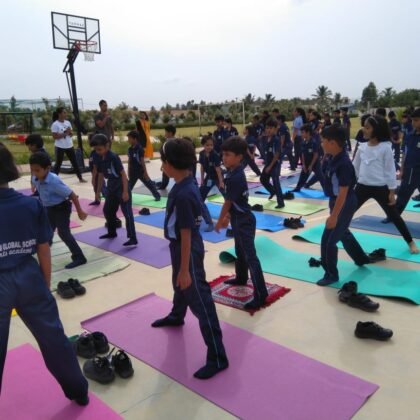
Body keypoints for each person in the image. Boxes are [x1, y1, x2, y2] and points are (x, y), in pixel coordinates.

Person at [0, 143, 89, 404]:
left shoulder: (33, 203)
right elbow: (44, 249)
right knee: (54, 339)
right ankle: (79, 391)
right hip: (30, 277)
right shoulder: (31, 205)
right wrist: (44, 284)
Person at [151, 138, 228, 379]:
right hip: (180, 246)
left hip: (187, 248)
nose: (161, 166)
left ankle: (218, 356)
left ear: (170, 164)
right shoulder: (185, 183)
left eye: (162, 161)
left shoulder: (184, 192)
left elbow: (186, 233)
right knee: (179, 284)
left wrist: (185, 269)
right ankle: (177, 315)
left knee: (199, 297)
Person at [215, 136, 268, 309]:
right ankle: (241, 277)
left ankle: (261, 293)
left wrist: (221, 220)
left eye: (228, 155)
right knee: (239, 250)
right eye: (223, 154)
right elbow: (234, 201)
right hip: (238, 218)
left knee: (250, 256)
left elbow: (228, 202)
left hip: (244, 220)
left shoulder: (235, 177)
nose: (224, 158)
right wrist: (228, 218)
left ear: (239, 157)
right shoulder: (232, 172)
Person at [352, 116, 418, 254]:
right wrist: (352, 185)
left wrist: (391, 192)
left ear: (377, 130)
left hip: (380, 188)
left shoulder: (385, 148)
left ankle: (410, 242)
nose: (364, 129)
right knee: (347, 212)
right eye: (364, 126)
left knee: (394, 216)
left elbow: (390, 171)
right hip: (362, 187)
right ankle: (334, 232)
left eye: (367, 127)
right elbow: (355, 168)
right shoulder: (362, 147)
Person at [316, 126, 373, 286]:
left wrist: (334, 216)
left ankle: (331, 274)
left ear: (333, 143)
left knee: (329, 240)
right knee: (343, 232)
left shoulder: (344, 164)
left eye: (323, 141)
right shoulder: (331, 157)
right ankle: (361, 258)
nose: (321, 144)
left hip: (344, 203)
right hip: (336, 201)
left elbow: (343, 193)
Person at [29, 152, 88, 269]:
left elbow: (72, 195)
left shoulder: (54, 181)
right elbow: (35, 183)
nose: (34, 173)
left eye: (37, 170)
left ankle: (79, 256)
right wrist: (33, 185)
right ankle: (45, 247)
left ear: (47, 168)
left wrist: (80, 211)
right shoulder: (36, 177)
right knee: (47, 231)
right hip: (48, 208)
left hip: (61, 208)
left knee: (63, 233)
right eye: (32, 170)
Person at [93, 134, 138, 247]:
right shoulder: (98, 157)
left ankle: (132, 238)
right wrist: (97, 192)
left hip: (121, 185)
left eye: (100, 149)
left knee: (127, 213)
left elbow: (123, 175)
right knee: (107, 210)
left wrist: (125, 192)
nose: (98, 152)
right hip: (111, 186)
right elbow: (100, 175)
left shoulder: (113, 157)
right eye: (96, 149)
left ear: (107, 146)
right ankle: (112, 232)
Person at [386, 108, 420, 218]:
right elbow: (405, 153)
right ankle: (394, 216)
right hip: (411, 170)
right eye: (412, 120)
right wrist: (402, 169)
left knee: (404, 192)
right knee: (403, 193)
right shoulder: (410, 135)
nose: (413, 123)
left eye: (416, 120)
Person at [51, 107, 86, 182]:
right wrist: (65, 133)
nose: (65, 114)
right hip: (60, 146)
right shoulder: (55, 124)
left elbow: (71, 134)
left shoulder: (68, 122)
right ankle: (53, 180)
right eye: (64, 112)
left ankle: (80, 178)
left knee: (74, 162)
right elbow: (55, 136)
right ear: (59, 114)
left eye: (65, 112)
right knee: (58, 164)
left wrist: (70, 133)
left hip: (69, 145)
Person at [127, 130, 160, 200]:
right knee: (128, 186)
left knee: (148, 183)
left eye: (129, 138)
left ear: (135, 139)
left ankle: (157, 196)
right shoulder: (129, 149)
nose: (128, 140)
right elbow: (129, 161)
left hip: (140, 171)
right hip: (133, 172)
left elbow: (142, 161)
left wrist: (145, 172)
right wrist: (128, 171)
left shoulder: (139, 149)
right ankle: (126, 197)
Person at [290, 124, 324, 192]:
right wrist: (304, 165)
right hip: (307, 162)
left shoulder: (313, 142)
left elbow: (315, 155)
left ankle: (327, 190)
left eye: (303, 132)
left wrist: (311, 165)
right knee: (303, 175)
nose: (301, 134)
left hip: (315, 163)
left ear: (308, 133)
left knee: (320, 176)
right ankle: (298, 188)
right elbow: (302, 154)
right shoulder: (303, 142)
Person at [260, 118, 284, 208]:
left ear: (275, 129)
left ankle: (281, 202)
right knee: (263, 179)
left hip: (275, 164)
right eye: (267, 128)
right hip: (268, 163)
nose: (268, 130)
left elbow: (277, 154)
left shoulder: (276, 139)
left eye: (271, 128)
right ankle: (272, 191)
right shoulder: (266, 139)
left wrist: (270, 166)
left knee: (276, 182)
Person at [199, 135, 224, 201]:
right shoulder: (201, 154)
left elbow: (218, 169)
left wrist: (221, 181)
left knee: (224, 192)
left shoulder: (215, 155)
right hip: (209, 177)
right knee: (201, 193)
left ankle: (232, 205)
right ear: (203, 145)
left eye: (211, 145)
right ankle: (200, 205)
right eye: (207, 145)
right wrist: (202, 179)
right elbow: (202, 167)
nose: (209, 147)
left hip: (218, 177)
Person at [156, 124, 176, 190]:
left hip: (169, 162)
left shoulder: (168, 142)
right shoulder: (175, 140)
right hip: (170, 161)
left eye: (166, 132)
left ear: (170, 133)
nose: (165, 133)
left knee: (166, 174)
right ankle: (163, 184)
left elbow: (165, 155)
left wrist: (163, 164)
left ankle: (163, 185)